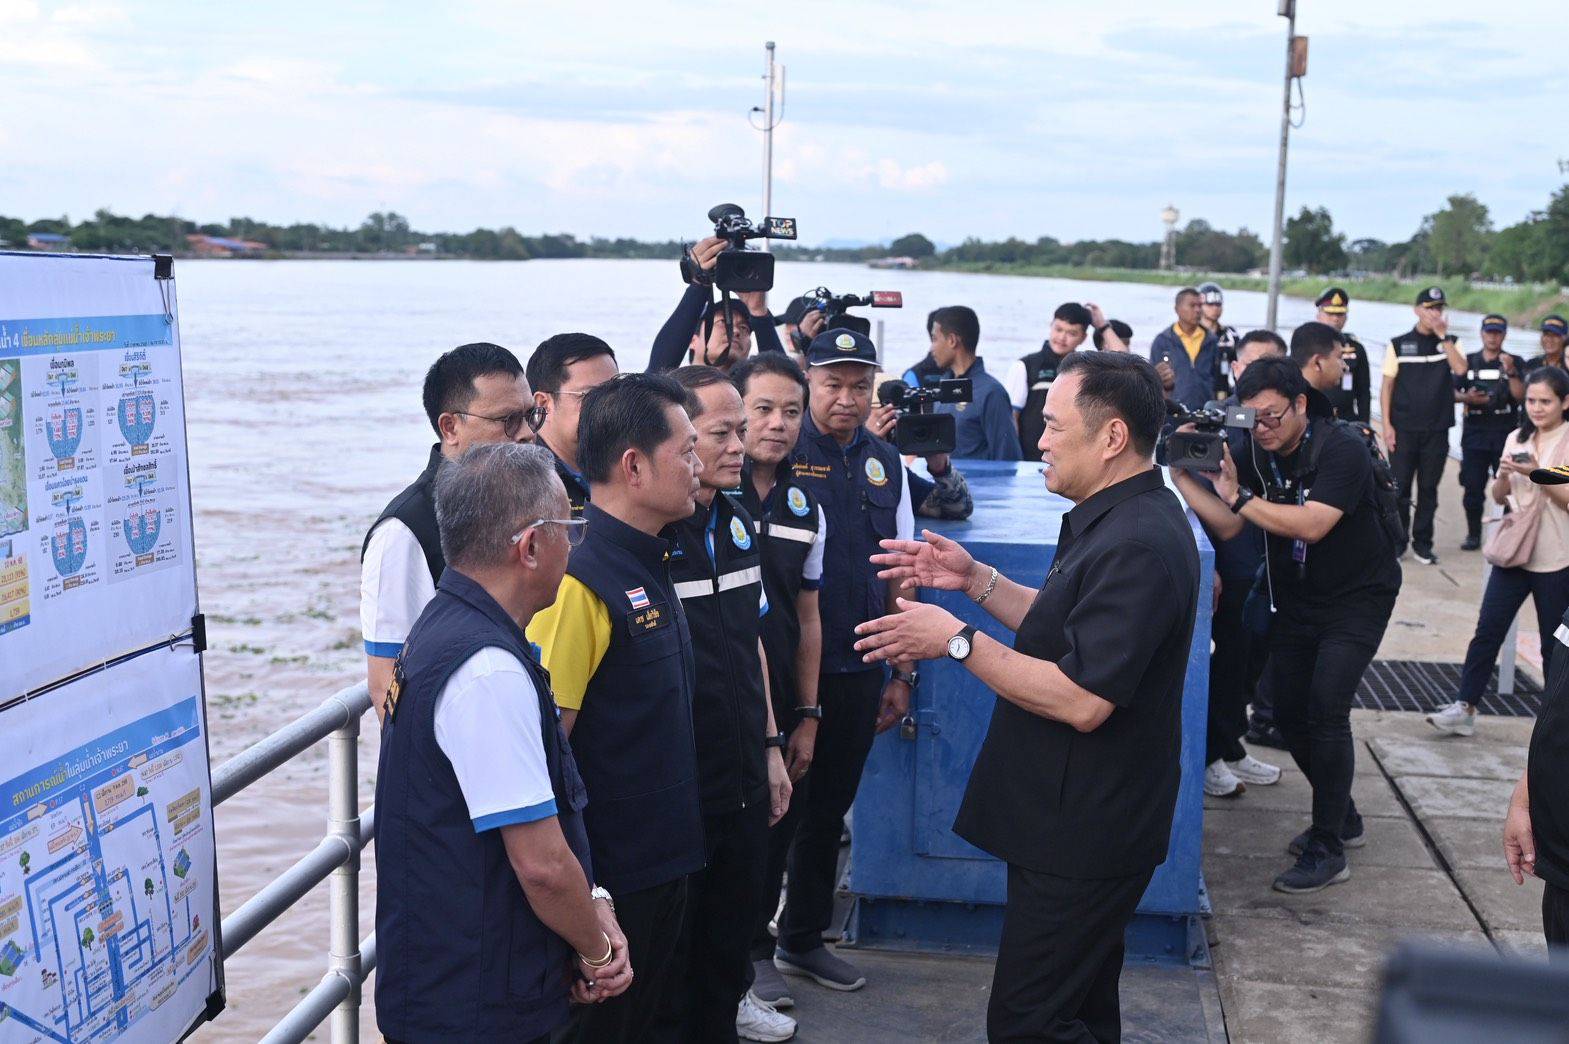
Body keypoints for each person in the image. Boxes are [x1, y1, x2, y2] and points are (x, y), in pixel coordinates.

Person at [855, 351, 1198, 1041]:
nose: (1036, 439)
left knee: (1027, 1023)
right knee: (1080, 1010)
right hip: (1077, 824)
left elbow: (1082, 698)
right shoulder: (1118, 518)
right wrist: (974, 579)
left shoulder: (1137, 543)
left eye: (1050, 424)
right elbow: (1069, 628)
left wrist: (954, 641)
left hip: (1084, 835)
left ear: (1110, 438)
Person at [374, 442, 631, 1042]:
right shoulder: (487, 671)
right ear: (532, 545)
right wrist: (596, 950)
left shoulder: (442, 626)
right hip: (475, 1007)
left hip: (460, 983)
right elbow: (540, 864)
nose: (575, 544)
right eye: (570, 527)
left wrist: (589, 902)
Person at [526, 373, 707, 1043]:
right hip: (615, 886)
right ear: (634, 465)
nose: (698, 466)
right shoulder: (580, 585)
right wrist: (586, 910)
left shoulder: (652, 563)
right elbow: (548, 756)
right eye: (687, 451)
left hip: (666, 865)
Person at [1177, 357, 1402, 893]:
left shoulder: (1341, 447)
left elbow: (1314, 523)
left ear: (1301, 404)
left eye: (1273, 416)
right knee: (1288, 717)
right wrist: (1184, 474)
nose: (1263, 428)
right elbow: (1233, 524)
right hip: (1298, 599)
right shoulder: (1255, 449)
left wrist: (1238, 495)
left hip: (1358, 598)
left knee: (1326, 708)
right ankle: (1341, 814)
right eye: (1251, 418)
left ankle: (1328, 846)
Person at [773, 327, 916, 993]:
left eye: (859, 386)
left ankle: (801, 939)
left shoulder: (886, 460)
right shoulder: (776, 455)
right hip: (784, 668)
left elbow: (902, 570)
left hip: (860, 664)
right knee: (772, 810)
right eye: (832, 384)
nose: (846, 398)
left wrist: (902, 671)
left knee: (828, 809)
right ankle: (745, 945)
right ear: (808, 381)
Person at [660, 365, 796, 1043]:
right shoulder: (649, 540)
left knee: (728, 941)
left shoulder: (740, 522)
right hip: (677, 787)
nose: (740, 445)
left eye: (741, 430)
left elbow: (752, 646)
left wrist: (771, 747)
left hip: (742, 771)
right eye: (722, 433)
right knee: (673, 957)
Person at [361, 342, 540, 717]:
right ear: (450, 426)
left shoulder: (518, 500)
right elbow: (387, 687)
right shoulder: (403, 531)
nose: (526, 433)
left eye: (530, 416)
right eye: (508, 420)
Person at [729, 354, 827, 1015]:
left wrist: (810, 713)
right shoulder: (704, 494)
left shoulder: (803, 504)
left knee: (777, 829)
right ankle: (731, 961)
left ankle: (757, 949)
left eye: (790, 411)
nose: (777, 424)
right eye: (762, 409)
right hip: (723, 699)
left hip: (785, 702)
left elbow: (809, 618)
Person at [1429, 368, 1569, 738]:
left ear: (1565, 403)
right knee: (1487, 630)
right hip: (1514, 553)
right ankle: (1465, 706)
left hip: (1557, 557)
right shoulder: (1515, 437)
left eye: (1546, 401)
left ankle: (1554, 721)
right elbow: (1498, 496)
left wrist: (1537, 472)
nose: (1537, 408)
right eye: (1532, 401)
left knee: (1553, 646)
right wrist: (1507, 475)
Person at [1200, 331, 1288, 796]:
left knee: (1251, 664)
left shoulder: (1284, 425)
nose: (1265, 378)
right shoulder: (1214, 421)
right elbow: (1194, 502)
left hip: (1268, 564)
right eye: (1255, 367)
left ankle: (1231, 746)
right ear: (1235, 369)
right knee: (1226, 662)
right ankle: (1210, 755)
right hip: (1229, 564)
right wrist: (1207, 565)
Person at [1381, 286, 1469, 565]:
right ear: (1417, 310)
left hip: (1437, 430)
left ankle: (1423, 543)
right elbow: (1386, 387)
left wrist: (1443, 338)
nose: (1435, 314)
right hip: (1404, 429)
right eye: (1429, 308)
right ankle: (1397, 542)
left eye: (1439, 309)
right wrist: (1387, 425)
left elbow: (1461, 370)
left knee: (1429, 489)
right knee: (1399, 488)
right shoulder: (1398, 343)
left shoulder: (1452, 342)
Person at [648, 236, 785, 372]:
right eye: (722, 322)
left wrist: (758, 313)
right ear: (693, 341)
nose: (736, 331)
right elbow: (656, 375)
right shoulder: (674, 392)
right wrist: (699, 284)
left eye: (744, 328)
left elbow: (783, 384)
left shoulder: (752, 392)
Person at [527, 332, 620, 517]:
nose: (607, 406)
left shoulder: (625, 465)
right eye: (590, 396)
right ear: (544, 404)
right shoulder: (524, 481)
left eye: (615, 393)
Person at [1455, 315, 1524, 551]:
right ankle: (1473, 534)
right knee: (1472, 486)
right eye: (1489, 332)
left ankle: (1507, 534)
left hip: (1505, 434)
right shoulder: (1468, 362)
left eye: (1498, 332)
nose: (1493, 337)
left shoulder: (1514, 361)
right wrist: (1468, 398)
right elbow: (1451, 391)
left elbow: (1520, 396)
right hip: (1474, 434)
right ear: (1481, 333)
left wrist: (1512, 371)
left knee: (1509, 488)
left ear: (1504, 335)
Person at [925, 305, 1020, 461]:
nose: (932, 348)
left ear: (952, 341)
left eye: (935, 339)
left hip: (979, 485)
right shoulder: (941, 389)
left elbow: (1008, 459)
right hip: (944, 484)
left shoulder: (991, 393)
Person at [1004, 302, 1091, 459]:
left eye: (1071, 333)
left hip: (1069, 460)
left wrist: (1103, 326)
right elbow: (1011, 418)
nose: (1062, 337)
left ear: (1083, 337)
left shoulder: (1085, 371)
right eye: (1058, 329)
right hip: (1030, 460)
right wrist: (1015, 460)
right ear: (1051, 326)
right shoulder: (1025, 366)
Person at [1150, 287, 1221, 411]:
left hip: (1205, 411)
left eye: (1200, 305)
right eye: (1192, 306)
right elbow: (1152, 379)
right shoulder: (1162, 341)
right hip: (1173, 411)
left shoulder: (1211, 341)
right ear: (1177, 309)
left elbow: (1217, 378)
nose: (1198, 310)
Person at [1315, 287, 1372, 423]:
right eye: (1330, 314)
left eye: (1340, 314)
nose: (1335, 319)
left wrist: (1364, 424)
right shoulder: (1307, 346)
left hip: (1346, 419)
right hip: (1315, 417)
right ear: (1319, 315)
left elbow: (1363, 392)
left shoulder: (1356, 349)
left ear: (1346, 317)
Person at [1291, 320, 1348, 419]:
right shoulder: (1302, 409)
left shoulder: (1285, 393)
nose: (1344, 366)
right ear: (1318, 362)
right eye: (1339, 358)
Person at [1197, 282, 1239, 393]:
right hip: (1197, 396)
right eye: (1210, 305)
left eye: (1218, 304)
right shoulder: (1191, 335)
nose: (1215, 308)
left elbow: (1240, 366)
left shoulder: (1230, 335)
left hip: (1223, 395)